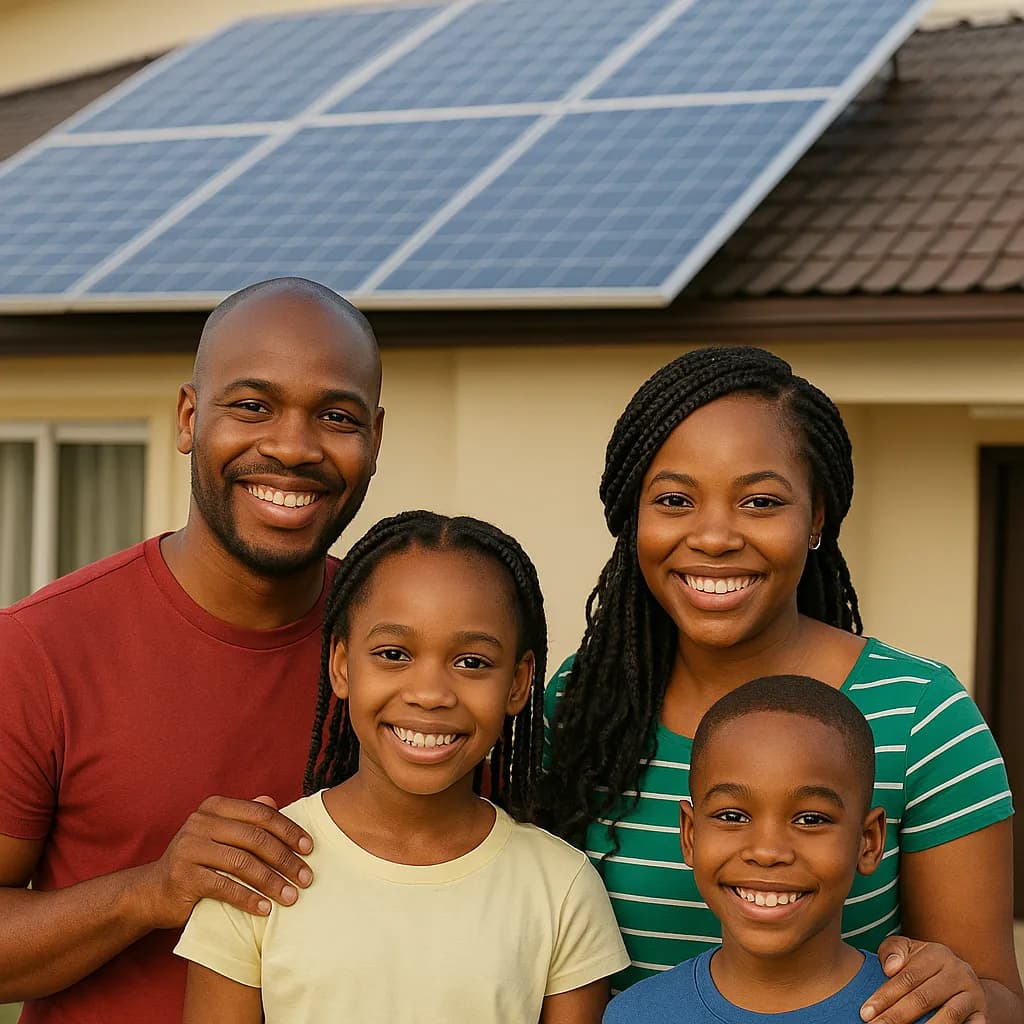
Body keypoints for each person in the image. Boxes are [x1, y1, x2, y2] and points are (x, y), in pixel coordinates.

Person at [541, 346, 1022, 1024]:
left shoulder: (921, 716)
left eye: (760, 501)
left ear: (817, 516)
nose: (714, 536)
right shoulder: (580, 706)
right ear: (633, 517)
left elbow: (998, 996)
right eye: (674, 500)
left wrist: (963, 992)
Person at [0, 277, 385, 1024]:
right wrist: (149, 892)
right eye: (253, 406)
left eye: (335, 417)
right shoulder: (39, 650)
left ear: (374, 439)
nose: (292, 447)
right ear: (188, 417)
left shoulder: (404, 660)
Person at [175, 511, 630, 1023]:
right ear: (342, 665)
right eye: (393, 653)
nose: (429, 694)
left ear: (520, 683)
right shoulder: (260, 866)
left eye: (472, 662)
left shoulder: (561, 887)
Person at [604, 674, 926, 1024]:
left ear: (869, 841)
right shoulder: (635, 1015)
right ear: (691, 835)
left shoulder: (922, 1011)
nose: (767, 852)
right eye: (732, 816)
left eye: (810, 819)